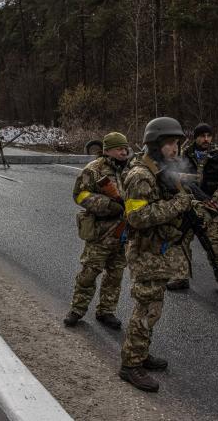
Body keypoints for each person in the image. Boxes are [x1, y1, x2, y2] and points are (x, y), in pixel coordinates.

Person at [119, 117, 193, 392]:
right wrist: (178, 204)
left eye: (177, 143)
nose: (175, 149)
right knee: (147, 309)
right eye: (171, 143)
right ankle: (130, 365)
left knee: (153, 307)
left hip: (156, 252)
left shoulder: (160, 170)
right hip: (145, 253)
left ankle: (140, 354)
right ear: (155, 145)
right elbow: (137, 217)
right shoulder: (140, 175)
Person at [63, 132, 129, 329]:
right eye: (120, 148)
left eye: (126, 148)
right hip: (100, 232)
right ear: (107, 150)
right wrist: (108, 204)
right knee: (89, 273)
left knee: (115, 275)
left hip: (123, 231)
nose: (124, 151)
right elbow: (80, 194)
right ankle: (77, 309)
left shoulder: (132, 170)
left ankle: (106, 311)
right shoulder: (94, 170)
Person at [168, 122, 218, 290]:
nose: (206, 139)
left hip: (211, 208)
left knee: (216, 246)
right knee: (178, 240)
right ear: (195, 137)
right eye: (202, 136)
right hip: (188, 206)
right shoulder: (183, 155)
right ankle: (180, 277)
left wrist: (215, 201)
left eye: (208, 136)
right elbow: (176, 180)